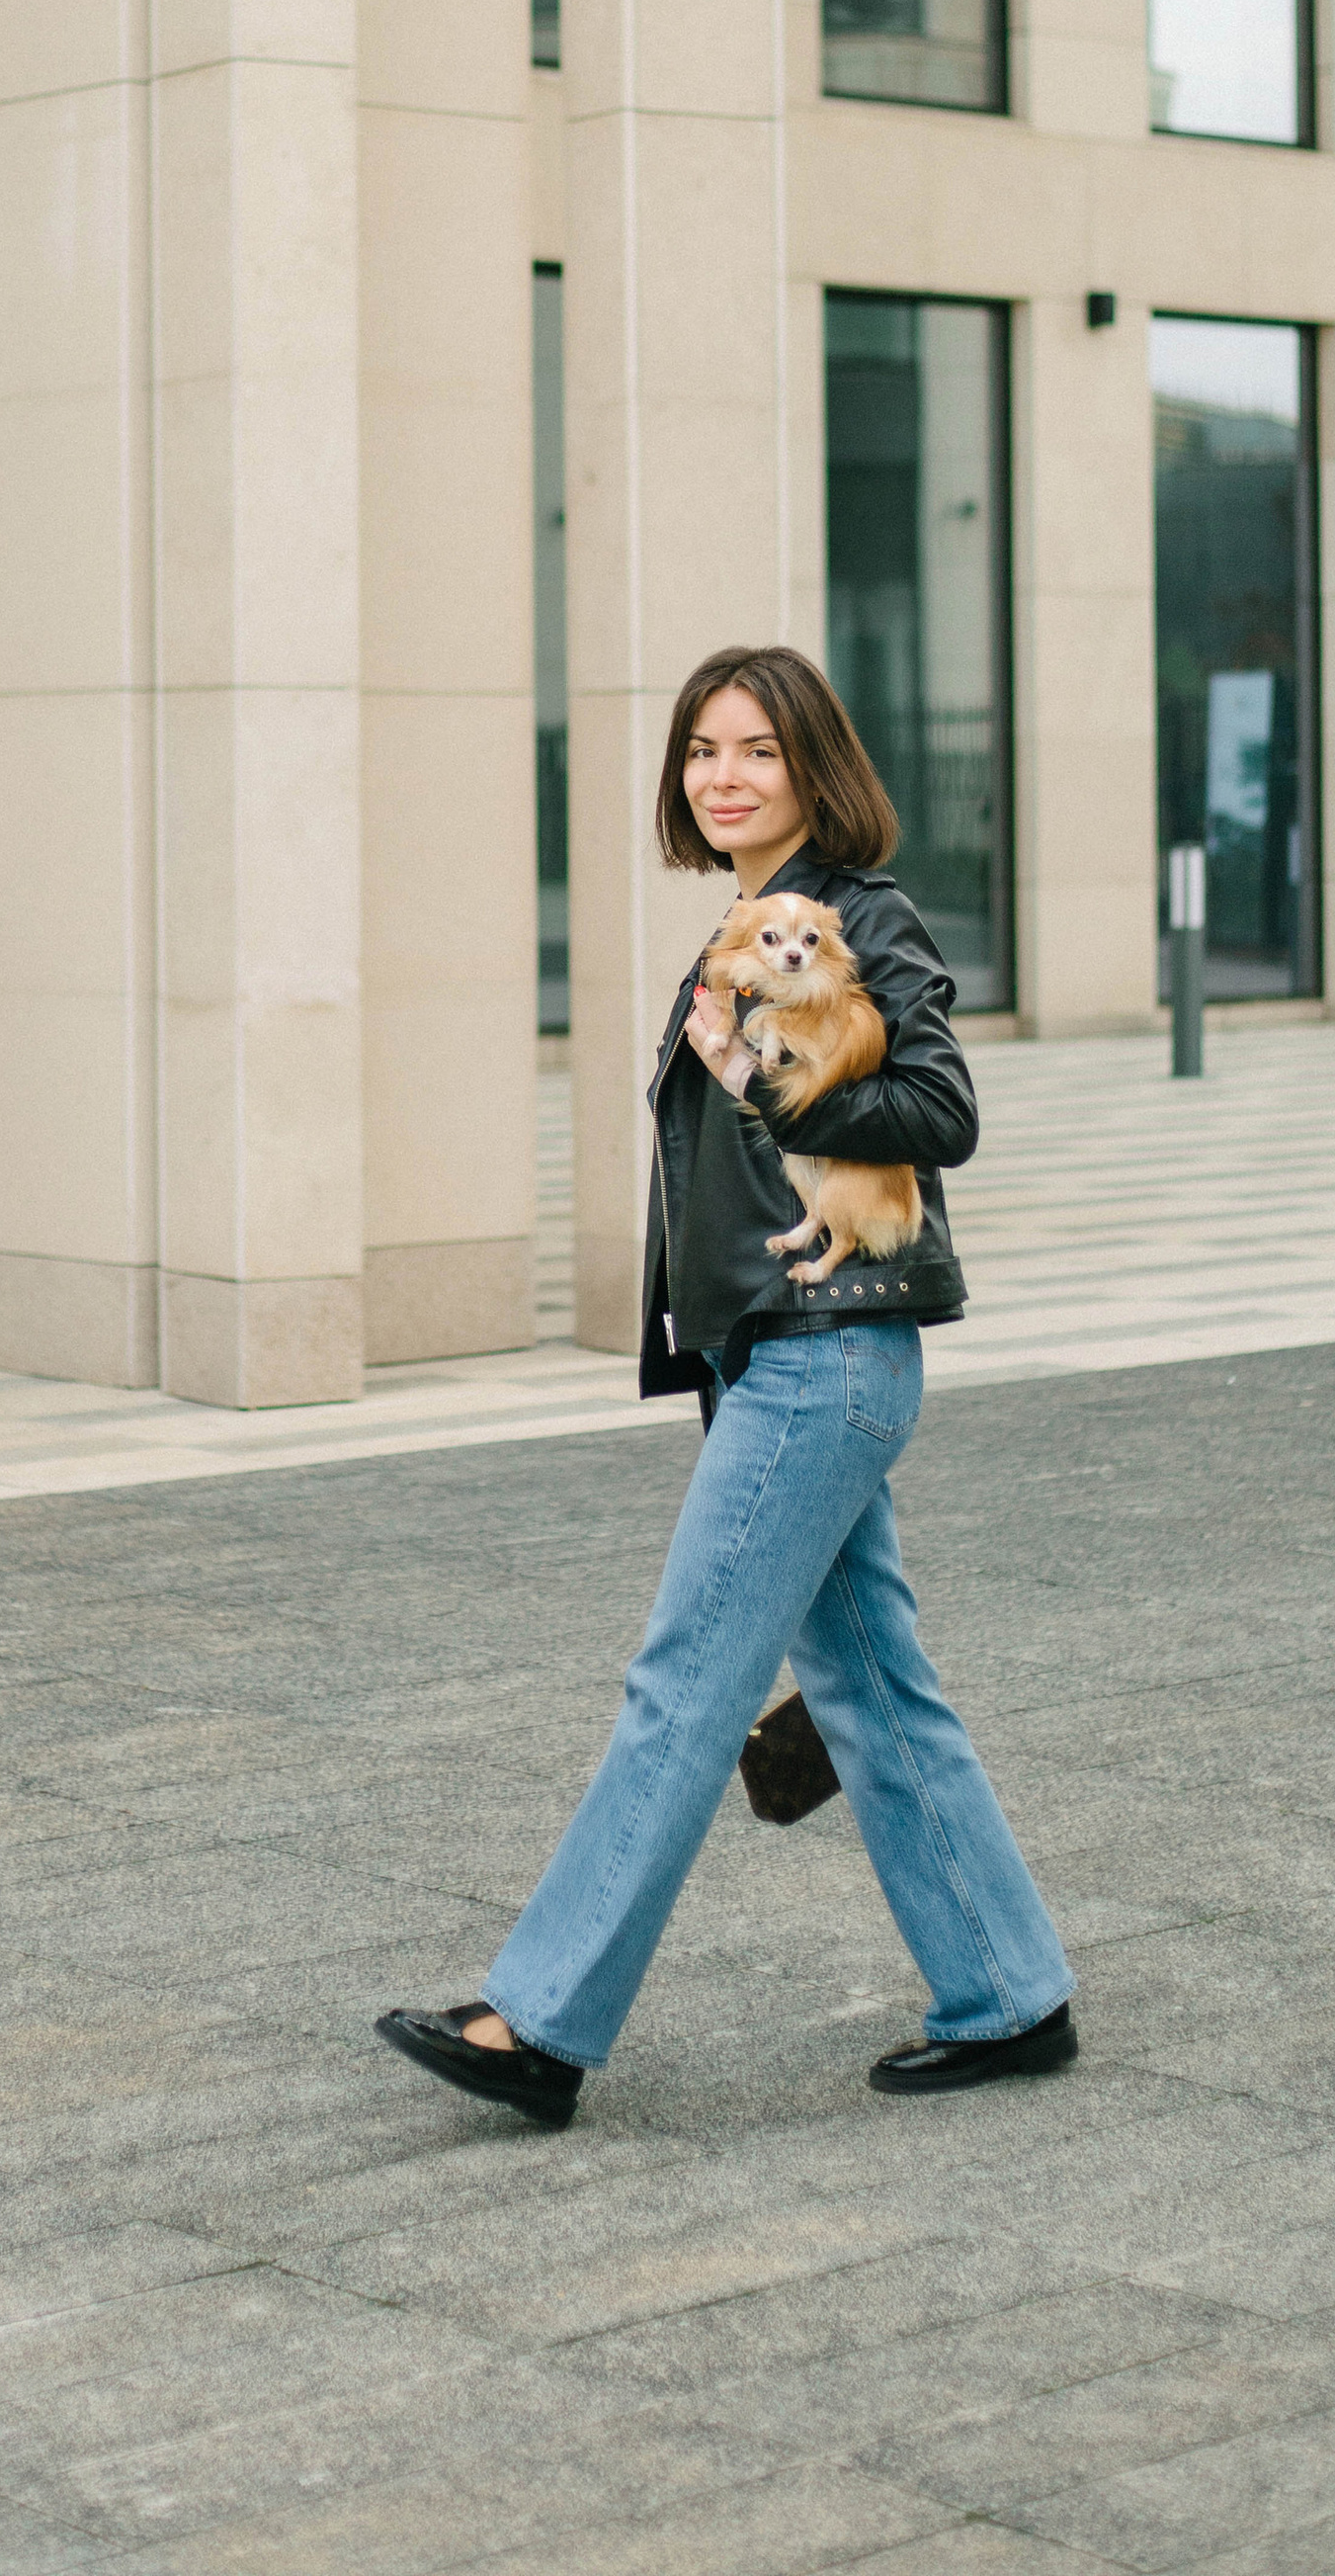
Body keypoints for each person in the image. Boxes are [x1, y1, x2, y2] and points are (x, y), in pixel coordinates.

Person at [376, 643, 1076, 2130]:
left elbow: (940, 1108)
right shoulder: (747, 923)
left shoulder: (849, 918)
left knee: (686, 1684)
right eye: (703, 751)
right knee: (873, 1691)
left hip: (829, 1359)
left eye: (755, 749)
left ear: (814, 765)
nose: (723, 776)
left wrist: (763, 1073)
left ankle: (543, 2022)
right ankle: (1009, 1995)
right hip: (795, 1358)